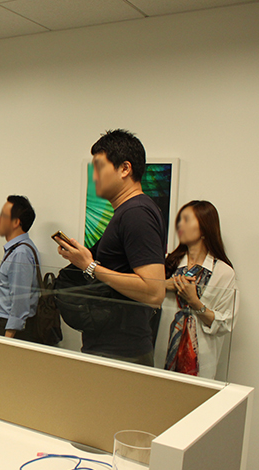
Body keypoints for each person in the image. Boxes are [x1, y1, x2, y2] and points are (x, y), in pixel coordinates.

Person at [55, 129, 165, 366]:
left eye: (99, 168)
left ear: (125, 169)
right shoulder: (129, 212)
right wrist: (85, 258)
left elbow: (154, 291)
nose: (94, 177)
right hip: (112, 347)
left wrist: (90, 266)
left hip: (122, 353)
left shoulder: (136, 214)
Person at [159, 201, 238, 379]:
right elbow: (145, 293)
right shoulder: (167, 263)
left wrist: (195, 302)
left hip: (202, 362)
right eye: (180, 220)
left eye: (187, 220)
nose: (180, 225)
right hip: (161, 353)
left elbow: (225, 323)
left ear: (204, 228)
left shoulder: (224, 272)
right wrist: (165, 284)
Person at [0, 195, 42, 341]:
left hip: (11, 329)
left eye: (3, 216)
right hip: (7, 325)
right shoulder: (18, 249)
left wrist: (8, 338)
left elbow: (20, 301)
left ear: (16, 222)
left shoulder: (21, 253)